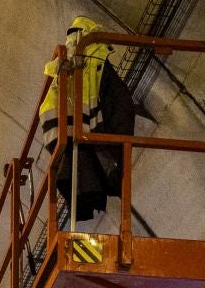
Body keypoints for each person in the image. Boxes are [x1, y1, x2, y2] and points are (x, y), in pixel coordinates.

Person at [38, 16, 136, 230]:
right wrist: (117, 149)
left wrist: (59, 147)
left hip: (72, 154)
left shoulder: (59, 71)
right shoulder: (97, 62)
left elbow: (46, 114)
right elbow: (123, 107)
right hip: (94, 145)